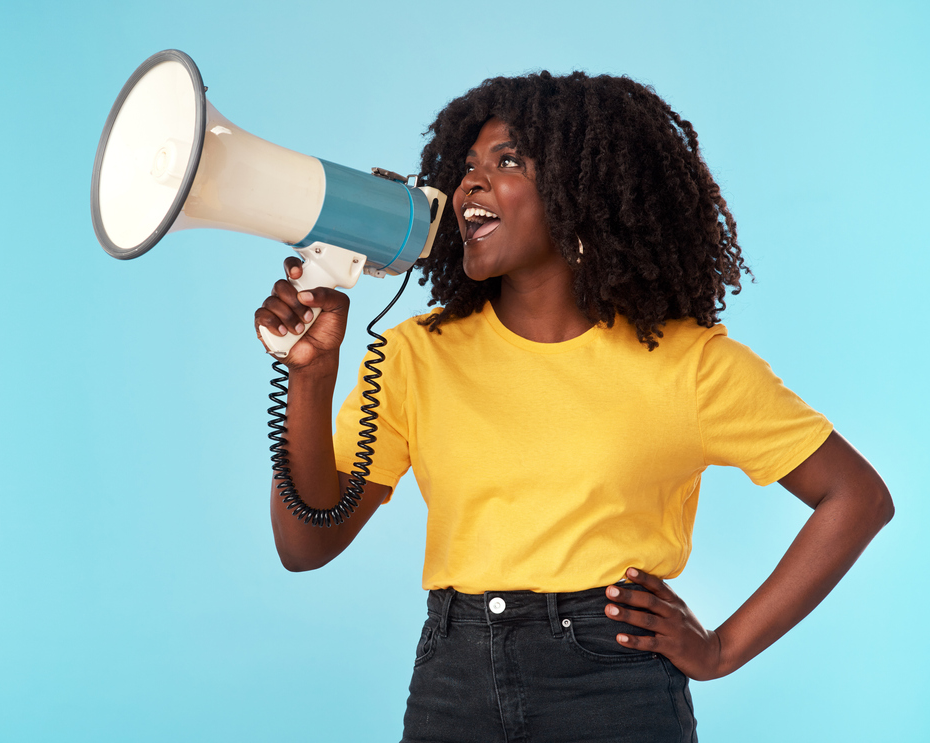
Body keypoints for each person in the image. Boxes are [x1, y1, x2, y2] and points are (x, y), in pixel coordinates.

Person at [253, 71, 892, 743]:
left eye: (506, 161)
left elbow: (857, 496)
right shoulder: (419, 355)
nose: (471, 182)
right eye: (466, 166)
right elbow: (306, 541)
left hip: (612, 684)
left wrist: (721, 649)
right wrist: (312, 374)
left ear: (580, 192)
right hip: (454, 680)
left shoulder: (690, 364)